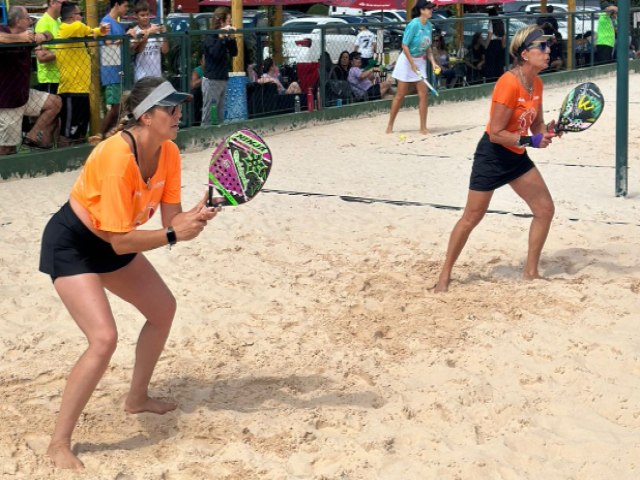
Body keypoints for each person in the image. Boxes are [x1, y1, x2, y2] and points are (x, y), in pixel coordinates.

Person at [39, 76, 220, 470]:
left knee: (163, 310)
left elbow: (171, 220)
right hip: (73, 245)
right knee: (103, 338)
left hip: (115, 240)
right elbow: (123, 241)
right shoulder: (115, 157)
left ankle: (136, 398)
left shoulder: (169, 151)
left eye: (178, 106)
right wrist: (174, 233)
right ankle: (59, 442)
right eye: (170, 108)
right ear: (145, 115)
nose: (178, 113)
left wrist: (194, 218)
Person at [434, 26, 558, 293]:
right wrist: (530, 141)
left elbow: (535, 127)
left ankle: (531, 272)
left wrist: (547, 132)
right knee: (471, 218)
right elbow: (496, 134)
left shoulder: (536, 83)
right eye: (543, 47)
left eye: (548, 47)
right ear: (525, 54)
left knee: (545, 210)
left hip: (516, 157)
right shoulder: (508, 83)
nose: (548, 52)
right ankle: (444, 276)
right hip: (492, 156)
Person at [0, 6, 61, 155]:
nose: (30, 21)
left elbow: (50, 34)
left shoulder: (28, 35)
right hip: (7, 101)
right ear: (18, 21)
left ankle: (32, 135)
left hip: (24, 96)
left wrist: (43, 36)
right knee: (7, 149)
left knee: (55, 102)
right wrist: (20, 39)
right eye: (27, 18)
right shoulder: (5, 31)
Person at [55, 2, 109, 146]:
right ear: (73, 17)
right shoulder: (67, 28)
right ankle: (62, 161)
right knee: (67, 132)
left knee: (80, 129)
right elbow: (81, 27)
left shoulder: (75, 29)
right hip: (70, 90)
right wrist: (93, 31)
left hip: (82, 89)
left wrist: (98, 31)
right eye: (80, 14)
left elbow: (89, 30)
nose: (82, 17)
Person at [386, 0, 439, 135]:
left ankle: (423, 127)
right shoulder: (413, 24)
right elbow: (404, 45)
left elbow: (428, 48)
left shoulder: (429, 25)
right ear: (421, 10)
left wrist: (433, 62)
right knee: (400, 95)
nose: (431, 10)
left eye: (431, 9)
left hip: (420, 60)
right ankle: (390, 125)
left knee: (423, 94)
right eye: (429, 9)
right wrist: (411, 63)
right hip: (406, 60)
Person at [92, 0, 130, 144]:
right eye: (125, 6)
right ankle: (100, 135)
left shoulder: (117, 24)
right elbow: (109, 45)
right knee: (115, 107)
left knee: (119, 107)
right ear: (117, 5)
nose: (127, 9)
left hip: (118, 68)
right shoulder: (106, 22)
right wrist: (125, 37)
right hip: (111, 69)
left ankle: (107, 136)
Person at [201, 7, 237, 126]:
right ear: (221, 22)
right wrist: (221, 38)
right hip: (212, 80)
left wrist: (231, 39)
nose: (229, 23)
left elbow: (234, 53)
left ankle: (218, 137)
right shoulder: (210, 36)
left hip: (222, 78)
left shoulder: (225, 35)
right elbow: (215, 54)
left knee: (220, 113)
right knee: (210, 113)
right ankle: (204, 135)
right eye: (228, 21)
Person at [131, 0, 168, 82]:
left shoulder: (156, 28)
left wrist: (164, 34)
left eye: (147, 14)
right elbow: (137, 50)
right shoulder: (135, 31)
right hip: (141, 76)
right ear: (136, 16)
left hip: (156, 76)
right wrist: (148, 33)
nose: (145, 17)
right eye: (142, 15)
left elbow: (165, 51)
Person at [34, 0, 63, 95]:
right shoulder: (43, 23)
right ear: (52, 2)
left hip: (60, 77)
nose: (65, 6)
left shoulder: (58, 21)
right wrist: (64, 53)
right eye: (63, 3)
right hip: (49, 79)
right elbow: (42, 56)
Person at [484, 6, 506, 82]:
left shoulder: (492, 22)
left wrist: (486, 47)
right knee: (499, 64)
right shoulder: (501, 21)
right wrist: (503, 46)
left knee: (490, 63)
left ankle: (490, 80)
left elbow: (489, 36)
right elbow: (503, 35)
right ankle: (500, 79)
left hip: (492, 44)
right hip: (499, 44)